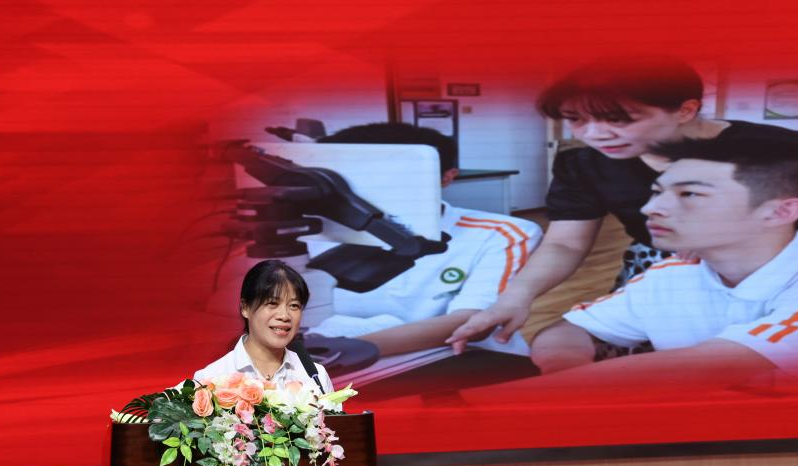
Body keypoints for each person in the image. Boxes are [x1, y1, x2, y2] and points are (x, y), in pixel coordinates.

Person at [447, 56, 798, 354]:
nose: (594, 134)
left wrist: (734, 245)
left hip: (788, 266)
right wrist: (516, 298)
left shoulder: (786, 150)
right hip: (665, 266)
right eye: (576, 120)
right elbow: (565, 243)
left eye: (618, 118)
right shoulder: (584, 163)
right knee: (649, 356)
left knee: (766, 359)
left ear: (685, 109)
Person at [526, 136, 798, 387]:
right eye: (657, 192)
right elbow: (568, 330)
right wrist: (564, 370)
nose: (651, 208)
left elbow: (712, 366)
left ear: (780, 212)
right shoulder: (671, 274)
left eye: (691, 194)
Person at [306, 122, 543, 357]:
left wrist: (326, 355)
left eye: (385, 175)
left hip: (457, 358)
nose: (363, 189)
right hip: (332, 353)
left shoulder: (501, 234)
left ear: (446, 177)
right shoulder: (309, 231)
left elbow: (470, 322)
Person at [194, 259, 334, 391]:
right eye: (272, 303)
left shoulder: (316, 378)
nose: (284, 316)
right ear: (245, 308)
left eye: (294, 305)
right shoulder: (211, 379)